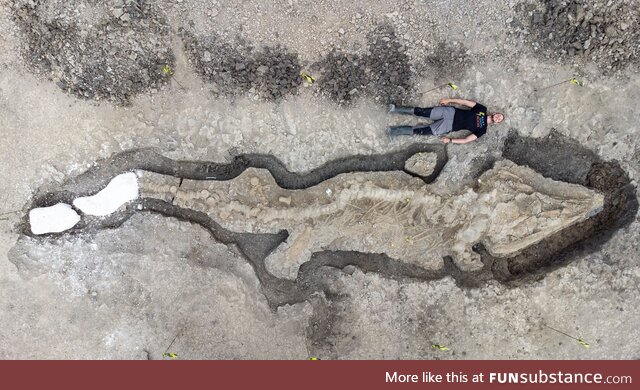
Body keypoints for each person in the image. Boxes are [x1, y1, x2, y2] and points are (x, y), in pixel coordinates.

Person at [387, 98, 504, 144]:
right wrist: (449, 100)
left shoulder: (482, 130)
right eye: (499, 115)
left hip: (448, 126)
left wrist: (450, 140)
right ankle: (394, 109)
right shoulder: (482, 109)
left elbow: (466, 139)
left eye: (499, 119)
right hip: (449, 112)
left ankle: (393, 131)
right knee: (421, 112)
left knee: (422, 131)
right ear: (494, 113)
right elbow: (465, 103)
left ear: (497, 123)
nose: (498, 117)